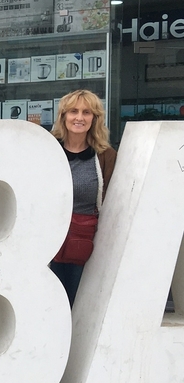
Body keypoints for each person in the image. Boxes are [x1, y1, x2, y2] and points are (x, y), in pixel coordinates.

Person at [49, 89, 116, 306]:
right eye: (73, 111)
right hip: (48, 238)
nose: (79, 117)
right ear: (63, 116)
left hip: (83, 240)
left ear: (94, 118)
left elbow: (113, 200)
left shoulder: (105, 155)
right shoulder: (47, 148)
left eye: (87, 112)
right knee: (50, 302)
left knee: (78, 303)